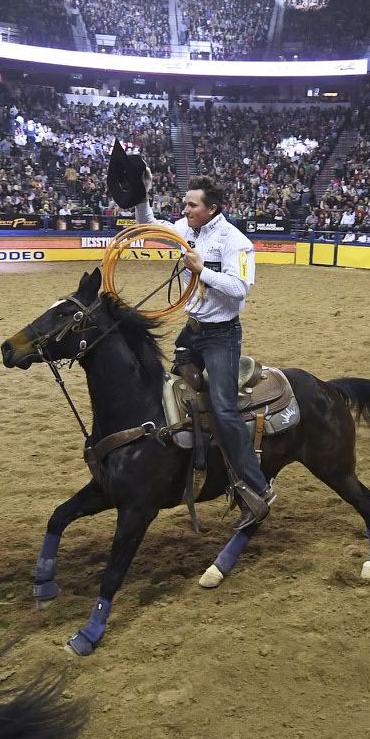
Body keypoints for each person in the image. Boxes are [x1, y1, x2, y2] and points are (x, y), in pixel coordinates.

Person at [132, 170, 275, 531]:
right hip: (192, 332)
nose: (185, 209)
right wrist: (142, 192)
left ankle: (258, 487)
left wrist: (201, 270)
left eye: (191, 205)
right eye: (185, 204)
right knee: (172, 385)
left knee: (225, 409)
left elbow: (240, 288)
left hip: (222, 337)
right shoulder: (185, 230)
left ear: (211, 209)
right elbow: (147, 224)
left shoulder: (235, 241)